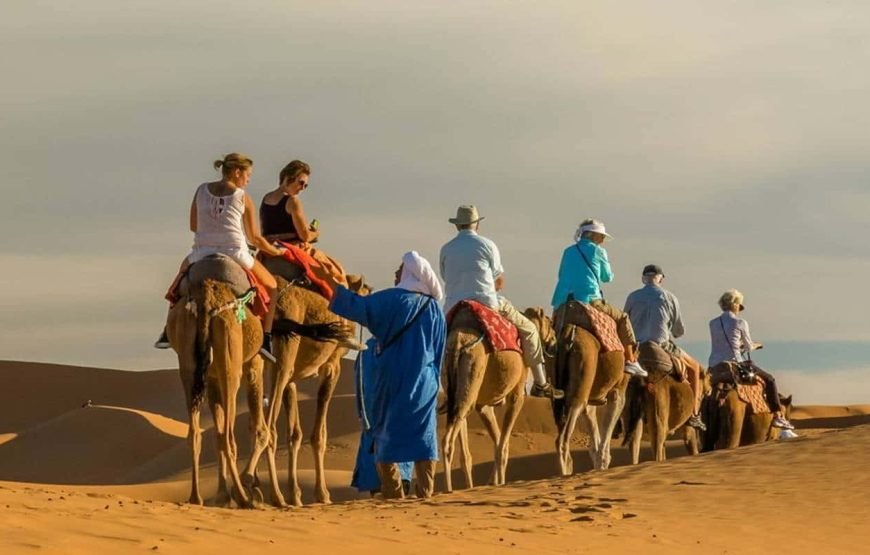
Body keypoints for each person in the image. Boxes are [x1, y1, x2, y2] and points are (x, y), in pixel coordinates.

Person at [330, 251, 446, 499]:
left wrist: (331, 287)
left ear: (409, 273)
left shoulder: (392, 300)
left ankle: (393, 493)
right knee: (425, 435)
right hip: (426, 381)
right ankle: (425, 492)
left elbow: (358, 307)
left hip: (392, 378)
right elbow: (439, 351)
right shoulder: (435, 309)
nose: (395, 274)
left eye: (399, 270)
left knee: (386, 434)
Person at [155, 153, 285, 362]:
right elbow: (255, 238)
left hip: (201, 252)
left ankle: (167, 331)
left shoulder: (201, 190)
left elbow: (193, 226)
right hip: (235, 253)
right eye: (247, 175)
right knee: (272, 287)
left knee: (178, 283)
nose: (248, 179)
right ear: (236, 172)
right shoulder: (243, 197)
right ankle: (266, 339)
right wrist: (276, 251)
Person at [440, 205, 563, 399]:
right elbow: (499, 281)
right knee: (530, 329)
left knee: (434, 341)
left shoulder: (446, 249)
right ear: (476, 225)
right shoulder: (487, 245)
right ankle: (541, 383)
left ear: (457, 226)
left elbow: (446, 277)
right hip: (487, 302)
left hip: (453, 306)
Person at [550, 219, 646, 377]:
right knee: (622, 318)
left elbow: (561, 274)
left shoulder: (568, 251)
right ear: (593, 235)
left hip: (563, 301)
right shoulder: (599, 251)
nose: (602, 240)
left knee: (551, 333)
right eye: (600, 236)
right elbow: (607, 277)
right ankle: (630, 360)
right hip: (589, 299)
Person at [624, 264, 706, 430]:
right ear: (661, 278)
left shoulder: (632, 297)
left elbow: (625, 322)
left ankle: (618, 422)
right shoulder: (669, 297)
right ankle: (694, 414)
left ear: (643, 278)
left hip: (636, 346)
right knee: (695, 368)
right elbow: (678, 331)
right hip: (662, 344)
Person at [708, 289, 794, 430]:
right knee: (770, 379)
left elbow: (721, 343)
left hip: (714, 366)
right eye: (739, 306)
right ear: (735, 304)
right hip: (735, 364)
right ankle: (778, 416)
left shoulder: (712, 323)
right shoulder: (740, 322)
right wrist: (757, 345)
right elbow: (748, 347)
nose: (739, 310)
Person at [259, 160, 348, 294]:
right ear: (288, 178)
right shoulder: (292, 201)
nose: (302, 188)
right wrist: (315, 233)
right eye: (301, 183)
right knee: (335, 274)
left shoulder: (266, 198)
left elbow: (263, 230)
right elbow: (304, 236)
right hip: (293, 249)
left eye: (305, 185)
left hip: (267, 251)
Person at [351, 337, 414, 497]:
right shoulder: (403, 345)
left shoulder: (365, 351)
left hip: (376, 420)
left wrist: (361, 414)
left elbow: (359, 386)